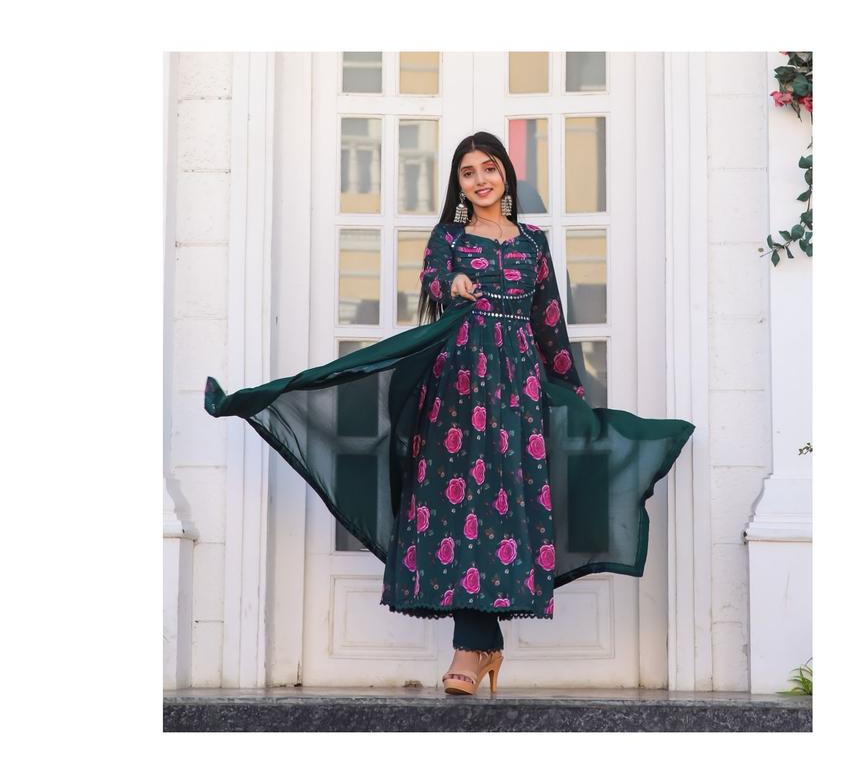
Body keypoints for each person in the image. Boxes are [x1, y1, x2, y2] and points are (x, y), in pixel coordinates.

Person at [204, 131, 695, 697]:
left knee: (504, 508)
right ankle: (473, 645)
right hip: (459, 387)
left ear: (505, 174)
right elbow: (434, 279)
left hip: (517, 392)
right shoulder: (449, 239)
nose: (480, 179)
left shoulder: (534, 244)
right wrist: (453, 282)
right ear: (458, 185)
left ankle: (482, 646)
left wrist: (571, 399)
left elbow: (550, 324)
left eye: (489, 168)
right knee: (459, 508)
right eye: (468, 172)